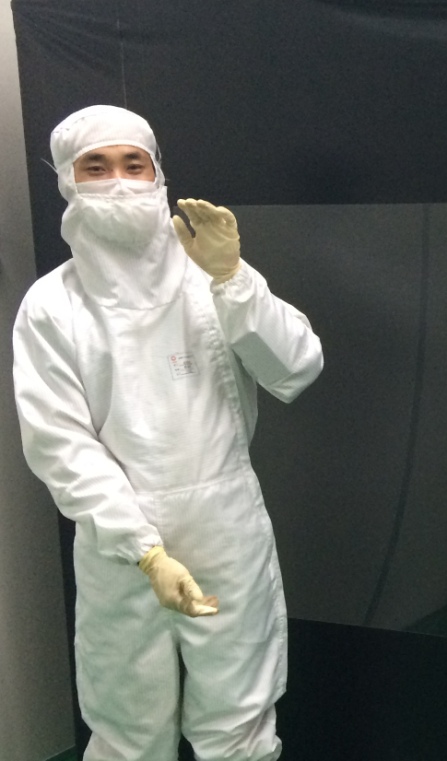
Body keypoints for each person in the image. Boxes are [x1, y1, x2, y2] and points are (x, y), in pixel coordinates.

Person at [12, 105, 323, 761]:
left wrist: (235, 279)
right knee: (127, 730)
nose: (119, 181)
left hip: (225, 522)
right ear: (67, 181)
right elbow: (61, 445)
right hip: (119, 540)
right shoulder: (52, 305)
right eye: (96, 167)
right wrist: (146, 552)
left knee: (238, 724)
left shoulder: (208, 277)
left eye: (134, 164)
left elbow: (296, 367)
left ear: (158, 174)